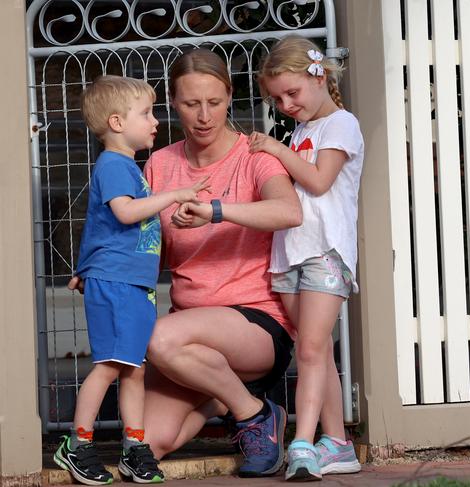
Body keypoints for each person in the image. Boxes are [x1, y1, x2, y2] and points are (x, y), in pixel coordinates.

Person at [185, 36, 364, 481]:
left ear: (319, 76)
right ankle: (337, 442)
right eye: (277, 97)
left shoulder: (341, 125)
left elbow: (320, 183)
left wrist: (277, 150)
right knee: (315, 350)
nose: (286, 104)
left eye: (293, 93)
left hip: (326, 252)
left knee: (309, 347)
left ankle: (303, 442)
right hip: (291, 255)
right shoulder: (302, 130)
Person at [135, 48, 301, 478]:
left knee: (159, 339)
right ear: (173, 103)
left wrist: (216, 210)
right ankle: (222, 393)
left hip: (255, 323)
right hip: (188, 330)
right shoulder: (160, 164)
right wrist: (100, 271)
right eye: (191, 104)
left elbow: (288, 211)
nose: (204, 115)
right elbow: (150, 250)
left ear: (229, 96)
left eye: (214, 102)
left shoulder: (254, 155)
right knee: (148, 442)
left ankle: (255, 413)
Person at [56, 75, 210, 485]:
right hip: (117, 284)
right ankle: (78, 444)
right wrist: (174, 195)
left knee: (133, 369)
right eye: (147, 113)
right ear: (117, 123)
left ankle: (134, 448)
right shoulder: (114, 166)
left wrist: (83, 266)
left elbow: (101, 225)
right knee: (108, 366)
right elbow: (125, 213)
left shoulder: (126, 167)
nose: (156, 121)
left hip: (131, 285)